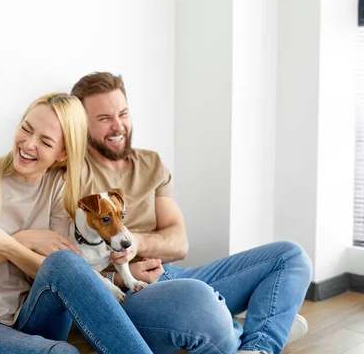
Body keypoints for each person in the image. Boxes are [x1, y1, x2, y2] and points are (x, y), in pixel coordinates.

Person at [71, 73, 312, 354]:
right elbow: (68, 262)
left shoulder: (150, 163)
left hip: (172, 274)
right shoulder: (74, 176)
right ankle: (262, 326)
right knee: (202, 303)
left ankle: (255, 345)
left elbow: (179, 241)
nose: (118, 126)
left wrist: (134, 242)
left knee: (291, 257)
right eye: (104, 119)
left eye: (123, 113)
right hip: (130, 293)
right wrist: (120, 276)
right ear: (82, 124)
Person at [0, 92, 153, 354]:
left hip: (30, 318)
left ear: (61, 154)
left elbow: (55, 271)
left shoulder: (58, 190)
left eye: (45, 142)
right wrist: (18, 241)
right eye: (26, 129)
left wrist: (10, 246)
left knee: (65, 262)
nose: (28, 144)